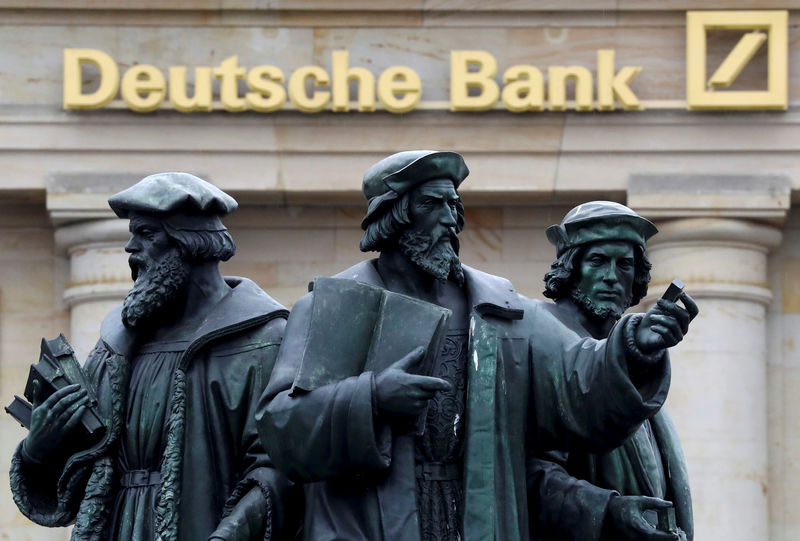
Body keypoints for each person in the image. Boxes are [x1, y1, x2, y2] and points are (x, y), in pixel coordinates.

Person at [255, 150, 697, 541]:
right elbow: (282, 428)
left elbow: (576, 382)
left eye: (454, 204)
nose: (450, 219)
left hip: (478, 518)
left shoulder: (497, 309)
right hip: (369, 524)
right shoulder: (334, 306)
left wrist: (634, 346)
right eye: (432, 204)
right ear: (393, 215)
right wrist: (373, 398)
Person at [10, 173, 298, 541]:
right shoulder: (114, 348)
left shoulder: (263, 341)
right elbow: (79, 484)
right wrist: (38, 452)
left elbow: (281, 467)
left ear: (190, 244)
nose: (130, 248)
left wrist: (230, 534)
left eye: (147, 234)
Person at [528, 201, 692, 541]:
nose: (611, 277)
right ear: (571, 268)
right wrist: (609, 511)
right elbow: (525, 474)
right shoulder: (541, 340)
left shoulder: (631, 358)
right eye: (598, 261)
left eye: (625, 265)